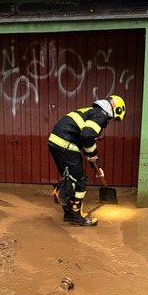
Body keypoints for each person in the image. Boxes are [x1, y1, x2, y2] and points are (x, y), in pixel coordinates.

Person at [47, 95, 125, 226]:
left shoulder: (92, 112)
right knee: (79, 179)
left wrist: (96, 165)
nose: (111, 122)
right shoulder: (101, 115)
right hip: (66, 144)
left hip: (56, 142)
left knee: (70, 178)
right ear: (115, 111)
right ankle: (76, 215)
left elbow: (86, 141)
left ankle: (68, 212)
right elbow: (87, 136)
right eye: (114, 119)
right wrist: (93, 156)